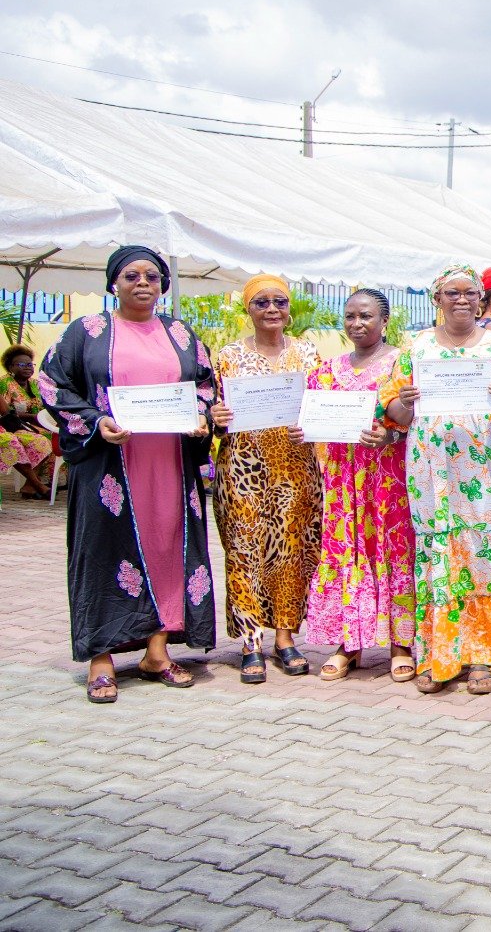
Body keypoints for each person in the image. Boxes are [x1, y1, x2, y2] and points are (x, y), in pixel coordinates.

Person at [40, 246, 217, 702]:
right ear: (112, 283)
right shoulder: (88, 332)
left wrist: (201, 415)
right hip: (109, 467)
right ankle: (101, 657)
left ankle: (156, 651)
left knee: (166, 544)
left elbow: (204, 384)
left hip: (169, 464)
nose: (143, 283)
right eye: (131, 275)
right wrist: (97, 422)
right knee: (101, 552)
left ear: (163, 285)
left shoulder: (180, 333)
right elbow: (52, 384)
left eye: (153, 277)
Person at [381, 265, 491, 694]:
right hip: (431, 471)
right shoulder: (416, 348)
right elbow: (393, 413)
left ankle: (486, 654)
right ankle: (439, 654)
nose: (463, 300)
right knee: (438, 548)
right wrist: (404, 403)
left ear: (483, 299)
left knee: (485, 549)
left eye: (472, 293)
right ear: (437, 299)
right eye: (453, 293)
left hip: (486, 468)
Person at [210, 274, 323, 683]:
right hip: (243, 467)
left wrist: (313, 421)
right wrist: (216, 419)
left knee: (291, 551)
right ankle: (249, 641)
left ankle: (285, 636)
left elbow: (323, 406)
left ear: (289, 308)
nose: (272, 309)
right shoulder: (227, 357)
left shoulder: (309, 354)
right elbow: (211, 411)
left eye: (279, 301)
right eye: (262, 302)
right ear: (248, 309)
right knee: (244, 550)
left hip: (296, 468)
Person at [303, 289, 416, 682]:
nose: (357, 323)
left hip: (388, 479)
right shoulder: (326, 369)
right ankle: (349, 643)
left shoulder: (403, 363)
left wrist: (392, 436)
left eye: (366, 316)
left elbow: (415, 417)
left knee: (391, 550)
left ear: (384, 321)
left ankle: (401, 644)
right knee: (347, 551)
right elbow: (312, 415)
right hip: (342, 482)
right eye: (350, 316)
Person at [1, 344, 53, 497]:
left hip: (29, 425)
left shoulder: (36, 384)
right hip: (12, 426)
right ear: (11, 366)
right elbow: (7, 414)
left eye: (30, 364)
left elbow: (45, 409)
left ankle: (31, 484)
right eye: (22, 364)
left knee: (48, 438)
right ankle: (36, 484)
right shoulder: (5, 384)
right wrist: (33, 418)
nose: (28, 368)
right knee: (15, 440)